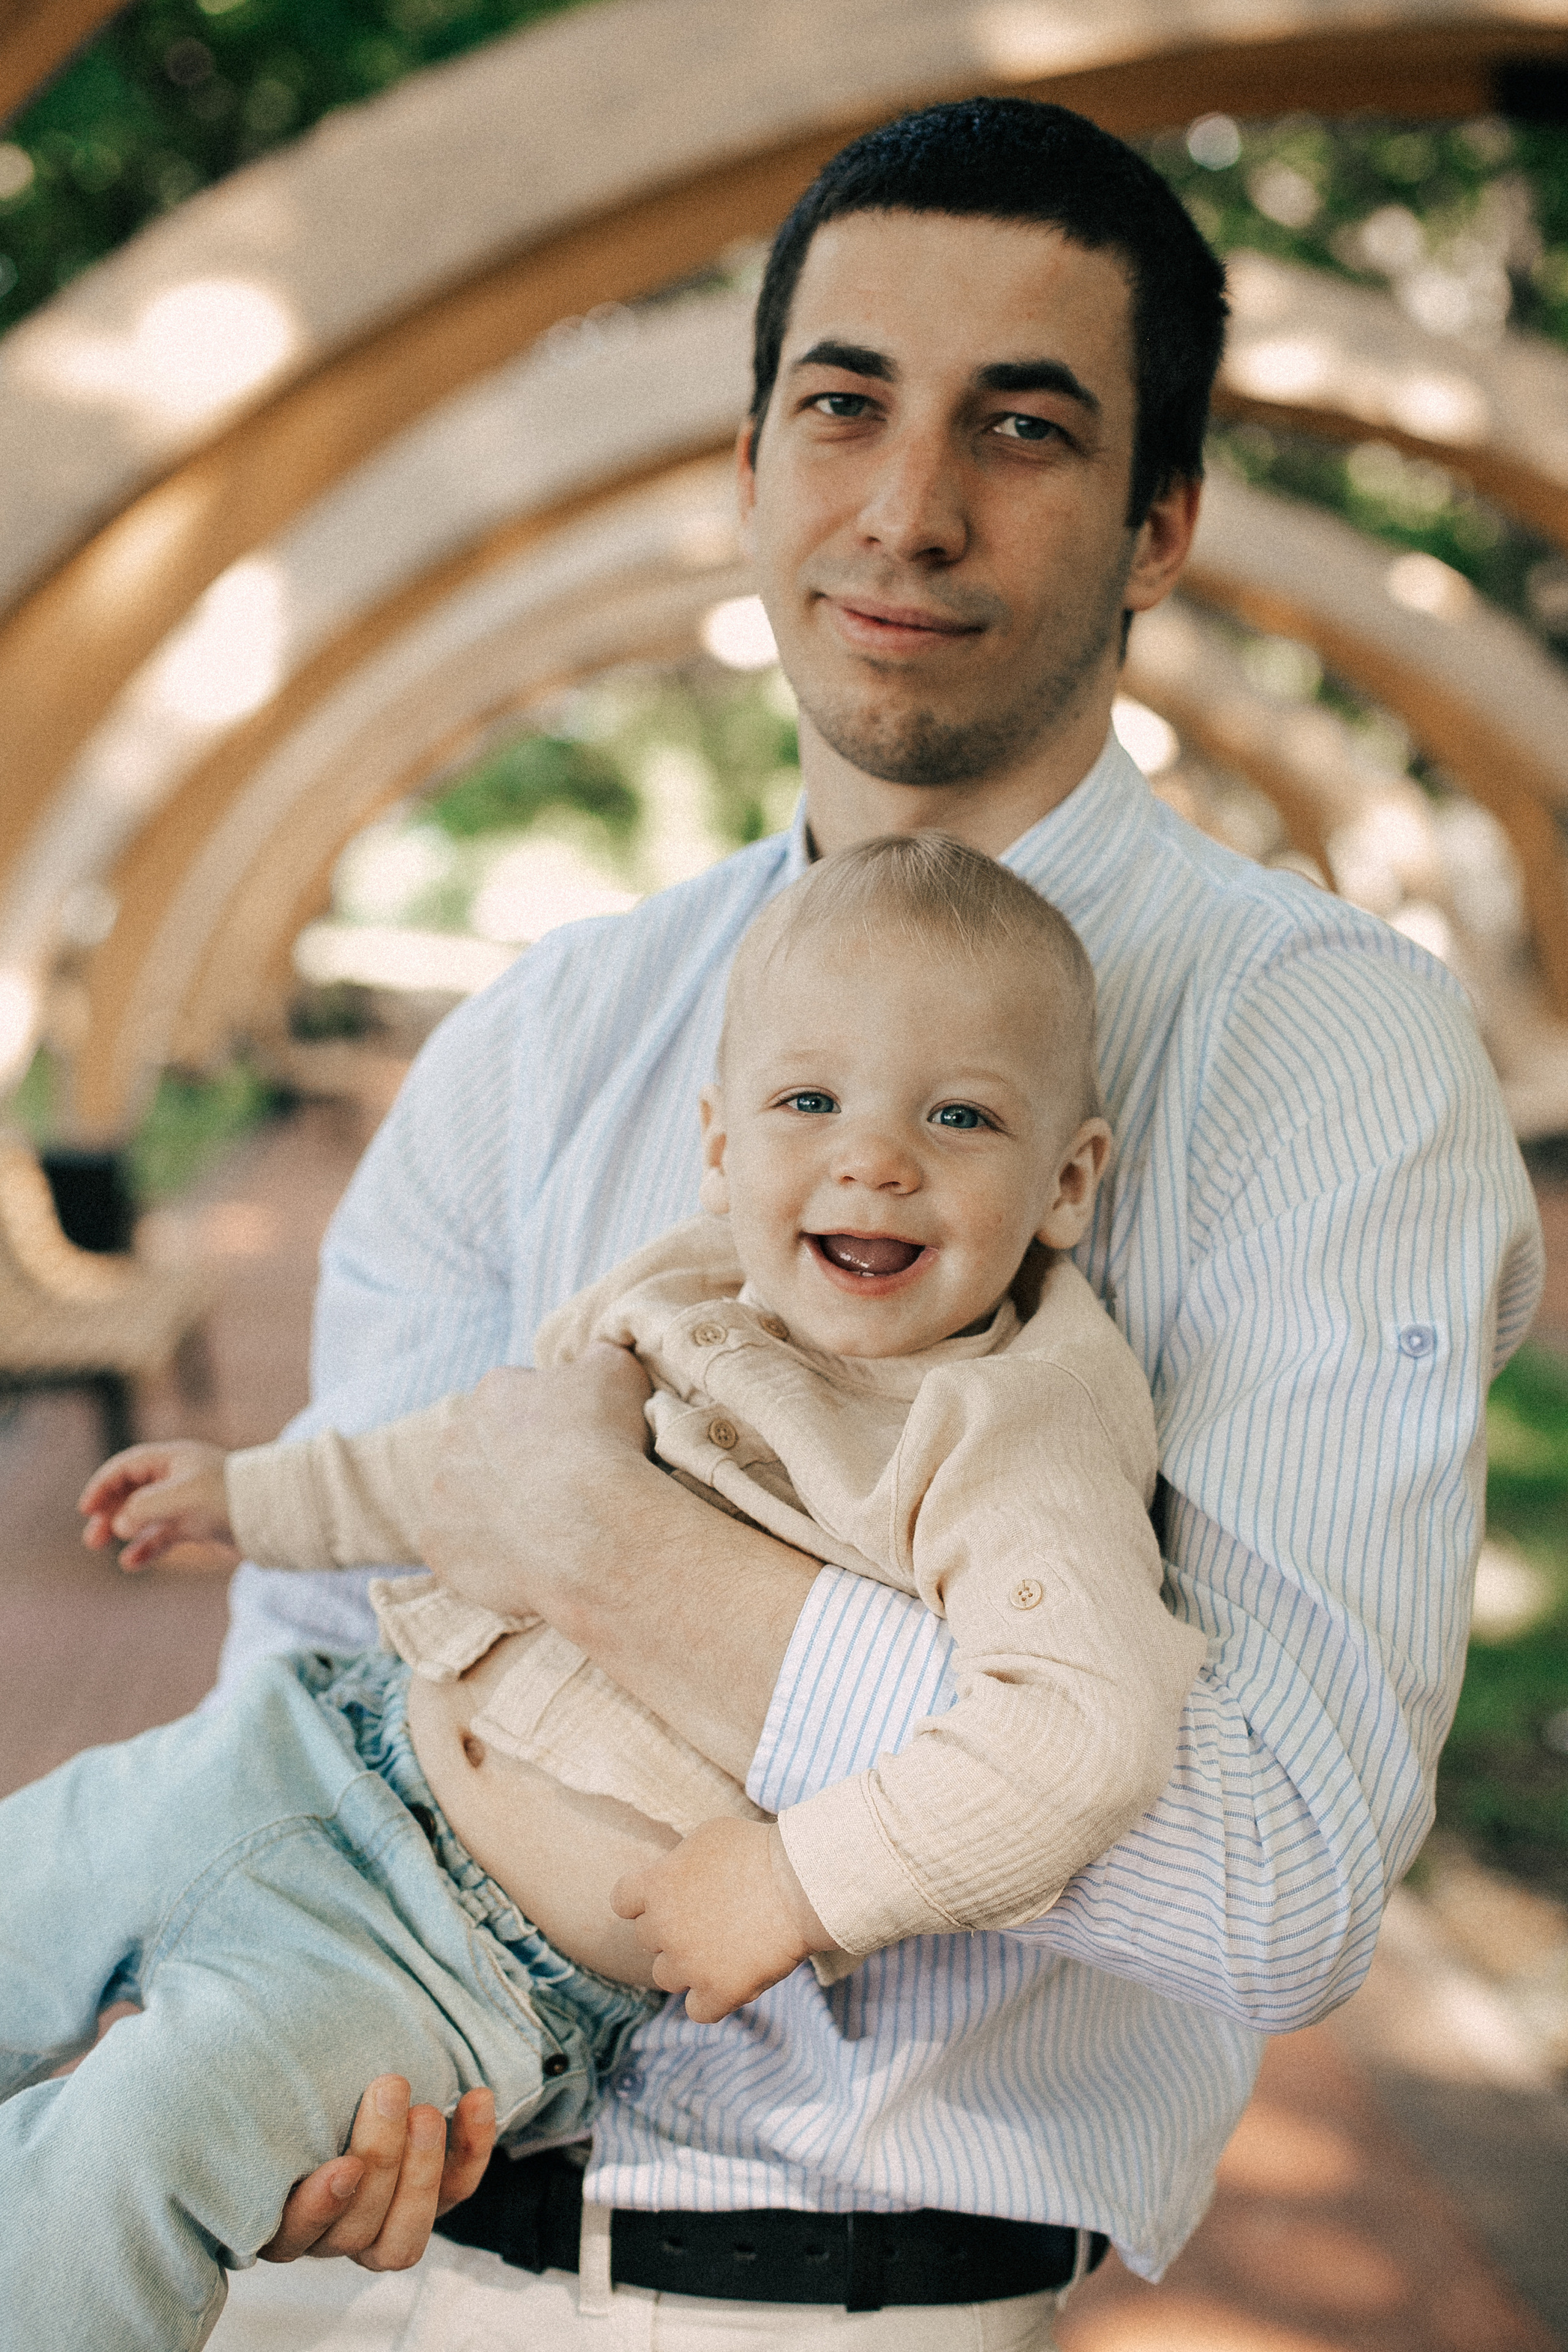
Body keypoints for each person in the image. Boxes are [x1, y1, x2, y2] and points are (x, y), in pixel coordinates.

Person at [197, 95, 1539, 2350]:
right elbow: (311, 1648)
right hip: (350, 2224)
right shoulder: (554, 1029)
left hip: (805, 2302)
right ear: (746, 473)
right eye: (843, 408)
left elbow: (1287, 1866)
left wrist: (615, 1553)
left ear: (1161, 522)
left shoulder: (1324, 1055)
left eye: (1022, 431)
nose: (907, 510)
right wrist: (254, 2000)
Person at [9, 837, 1205, 2350]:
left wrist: (797, 1882)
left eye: (958, 1116)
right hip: (309, 1747)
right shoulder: (693, 1283)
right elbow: (473, 1454)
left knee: (134, 2154)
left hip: (449, 1966)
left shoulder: (1009, 1426)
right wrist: (253, 1498)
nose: (873, 1159)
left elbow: (1081, 1741)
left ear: (1067, 1181)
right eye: (807, 1103)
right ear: (718, 1146)